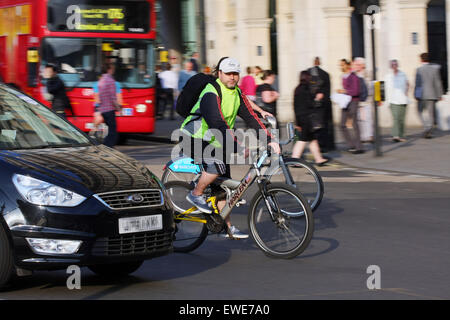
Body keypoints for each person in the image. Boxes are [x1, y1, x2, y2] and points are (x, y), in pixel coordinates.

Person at [180, 57, 280, 239]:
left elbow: (250, 117)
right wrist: (238, 147)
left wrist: (269, 139)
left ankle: (226, 227)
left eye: (235, 73)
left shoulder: (237, 93)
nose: (232, 77)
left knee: (224, 186)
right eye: (228, 73)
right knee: (217, 167)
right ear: (220, 74)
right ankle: (196, 193)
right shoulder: (211, 93)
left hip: (215, 140)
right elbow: (217, 123)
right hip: (193, 137)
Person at [291, 70, 330, 166]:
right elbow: (310, 104)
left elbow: (295, 106)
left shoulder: (297, 89)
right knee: (302, 139)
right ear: (307, 78)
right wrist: (317, 98)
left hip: (301, 118)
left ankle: (318, 159)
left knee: (312, 139)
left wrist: (297, 122)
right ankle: (295, 159)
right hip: (307, 119)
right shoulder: (306, 89)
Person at [414, 53, 444, 139]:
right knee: (431, 114)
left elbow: (418, 83)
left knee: (419, 111)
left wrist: (416, 94)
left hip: (422, 95)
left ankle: (426, 127)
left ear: (421, 60)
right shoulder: (434, 69)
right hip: (431, 94)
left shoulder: (419, 70)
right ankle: (429, 129)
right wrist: (440, 94)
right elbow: (438, 82)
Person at [308, 57, 335, 152]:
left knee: (316, 126)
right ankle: (325, 145)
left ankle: (319, 145)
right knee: (324, 125)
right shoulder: (325, 74)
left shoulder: (309, 73)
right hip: (324, 104)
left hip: (314, 105)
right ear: (320, 63)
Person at [338, 59, 364, 154]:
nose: (341, 67)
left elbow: (356, 91)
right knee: (342, 125)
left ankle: (359, 147)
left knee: (354, 124)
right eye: (340, 65)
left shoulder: (354, 77)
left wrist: (344, 91)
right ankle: (351, 145)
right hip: (345, 102)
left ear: (348, 65)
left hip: (353, 101)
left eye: (342, 65)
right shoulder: (343, 76)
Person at [93, 63, 122, 148]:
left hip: (103, 109)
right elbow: (113, 98)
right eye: (112, 69)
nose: (113, 70)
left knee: (109, 129)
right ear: (109, 69)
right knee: (113, 131)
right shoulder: (110, 80)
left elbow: (98, 97)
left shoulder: (100, 81)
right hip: (109, 109)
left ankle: (107, 145)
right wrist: (118, 108)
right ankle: (108, 146)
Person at [385, 59, 409, 142]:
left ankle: (401, 135)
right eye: (392, 65)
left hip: (403, 99)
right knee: (396, 117)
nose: (394, 66)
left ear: (397, 65)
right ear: (390, 66)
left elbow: (407, 83)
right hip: (393, 100)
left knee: (401, 118)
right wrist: (384, 100)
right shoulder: (388, 76)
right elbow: (385, 88)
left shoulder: (403, 74)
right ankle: (395, 135)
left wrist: (406, 92)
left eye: (395, 64)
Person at [353, 57, 374, 144]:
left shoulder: (368, 74)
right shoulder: (353, 75)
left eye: (358, 65)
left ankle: (369, 136)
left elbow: (375, 85)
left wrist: (379, 98)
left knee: (368, 118)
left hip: (367, 99)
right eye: (356, 64)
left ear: (363, 65)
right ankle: (362, 136)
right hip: (357, 100)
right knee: (359, 119)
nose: (356, 66)